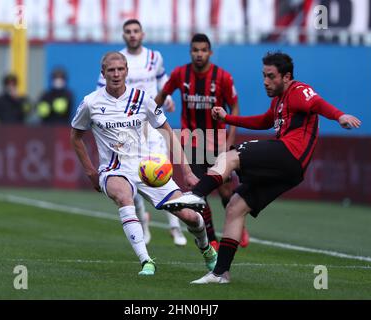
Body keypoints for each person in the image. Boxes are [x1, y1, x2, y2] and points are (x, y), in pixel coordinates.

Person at [162, 51, 362, 284]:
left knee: (230, 157)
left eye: (271, 76)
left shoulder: (298, 91)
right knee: (235, 207)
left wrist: (339, 116)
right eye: (263, 75)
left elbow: (317, 103)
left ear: (286, 77)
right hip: (290, 172)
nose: (265, 81)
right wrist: (228, 119)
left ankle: (196, 195)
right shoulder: (278, 100)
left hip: (290, 155)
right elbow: (265, 121)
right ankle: (220, 273)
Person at [70, 52, 217, 276]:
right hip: (114, 169)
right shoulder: (90, 103)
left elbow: (167, 132)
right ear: (103, 73)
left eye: (120, 69)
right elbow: (76, 136)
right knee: (124, 197)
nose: (116, 74)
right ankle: (146, 260)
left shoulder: (142, 98)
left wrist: (186, 170)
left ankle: (206, 249)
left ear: (127, 71)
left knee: (190, 217)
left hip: (148, 168)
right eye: (111, 70)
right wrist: (91, 171)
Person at [155, 33, 249, 250]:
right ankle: (212, 239)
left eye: (203, 50)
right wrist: (149, 112)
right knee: (199, 191)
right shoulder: (180, 73)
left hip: (218, 142)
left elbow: (234, 107)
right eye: (195, 50)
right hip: (192, 142)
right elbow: (163, 94)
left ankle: (238, 226)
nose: (199, 54)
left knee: (226, 192)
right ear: (190, 52)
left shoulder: (222, 77)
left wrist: (230, 140)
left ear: (210, 52)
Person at [97, 19, 187, 246]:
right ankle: (143, 224)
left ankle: (175, 227)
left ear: (142, 34)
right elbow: (101, 91)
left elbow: (161, 80)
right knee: (131, 177)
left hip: (150, 123)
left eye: (136, 31)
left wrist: (166, 98)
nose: (132, 34)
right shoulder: (116, 60)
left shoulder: (154, 57)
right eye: (128, 31)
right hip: (125, 128)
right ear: (123, 35)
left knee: (161, 171)